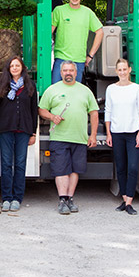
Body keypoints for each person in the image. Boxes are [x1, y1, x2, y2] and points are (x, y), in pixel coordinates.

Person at [38, 60, 99, 215]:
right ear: (61, 73)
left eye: (71, 70)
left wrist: (93, 135)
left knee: (75, 170)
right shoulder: (52, 90)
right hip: (59, 137)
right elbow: (41, 109)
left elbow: (94, 113)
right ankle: (62, 200)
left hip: (79, 137)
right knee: (61, 170)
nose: (68, 73)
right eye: (65, 70)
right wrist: (52, 117)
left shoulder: (85, 91)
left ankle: (70, 199)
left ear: (76, 72)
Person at [0, 56, 38, 212]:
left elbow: (34, 110)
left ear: (22, 68)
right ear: (8, 68)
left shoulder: (30, 86)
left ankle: (17, 198)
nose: (15, 68)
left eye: (17, 65)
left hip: (24, 131)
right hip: (5, 130)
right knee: (6, 164)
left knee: (20, 164)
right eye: (12, 66)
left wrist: (33, 132)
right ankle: (6, 198)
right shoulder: (2, 86)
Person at [104, 58, 139, 216]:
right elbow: (108, 111)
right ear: (116, 71)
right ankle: (124, 198)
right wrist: (108, 133)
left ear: (129, 70)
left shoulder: (136, 88)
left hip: (133, 132)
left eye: (124, 69)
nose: (122, 72)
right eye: (119, 70)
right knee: (120, 167)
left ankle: (129, 201)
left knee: (133, 167)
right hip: (117, 132)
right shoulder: (111, 89)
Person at [51, 0, 103, 84]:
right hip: (61, 58)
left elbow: (100, 32)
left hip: (79, 60)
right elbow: (49, 31)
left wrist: (90, 55)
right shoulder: (59, 10)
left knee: (74, 90)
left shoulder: (87, 12)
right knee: (55, 89)